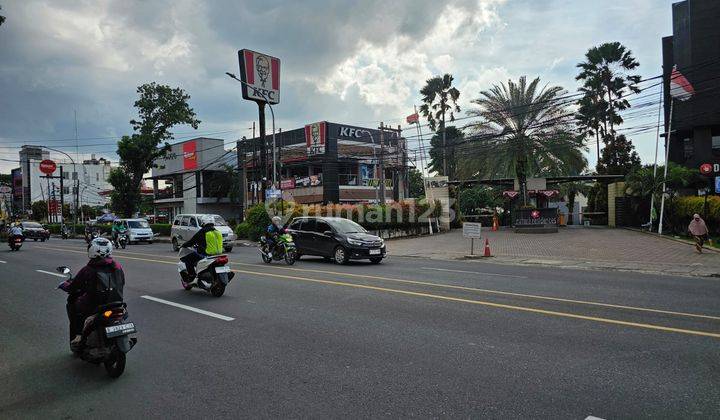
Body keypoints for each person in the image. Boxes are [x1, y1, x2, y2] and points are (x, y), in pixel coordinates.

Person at [58, 237, 125, 348]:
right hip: (116, 302)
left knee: (75, 308)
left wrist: (64, 285)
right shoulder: (117, 266)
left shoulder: (88, 269)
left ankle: (78, 335)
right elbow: (122, 282)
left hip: (94, 305)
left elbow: (73, 286)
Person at [180, 216, 224, 281]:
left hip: (206, 255)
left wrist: (183, 245)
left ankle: (191, 275)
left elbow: (192, 241)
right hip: (218, 255)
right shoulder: (217, 232)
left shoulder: (203, 231)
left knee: (187, 258)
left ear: (204, 222)